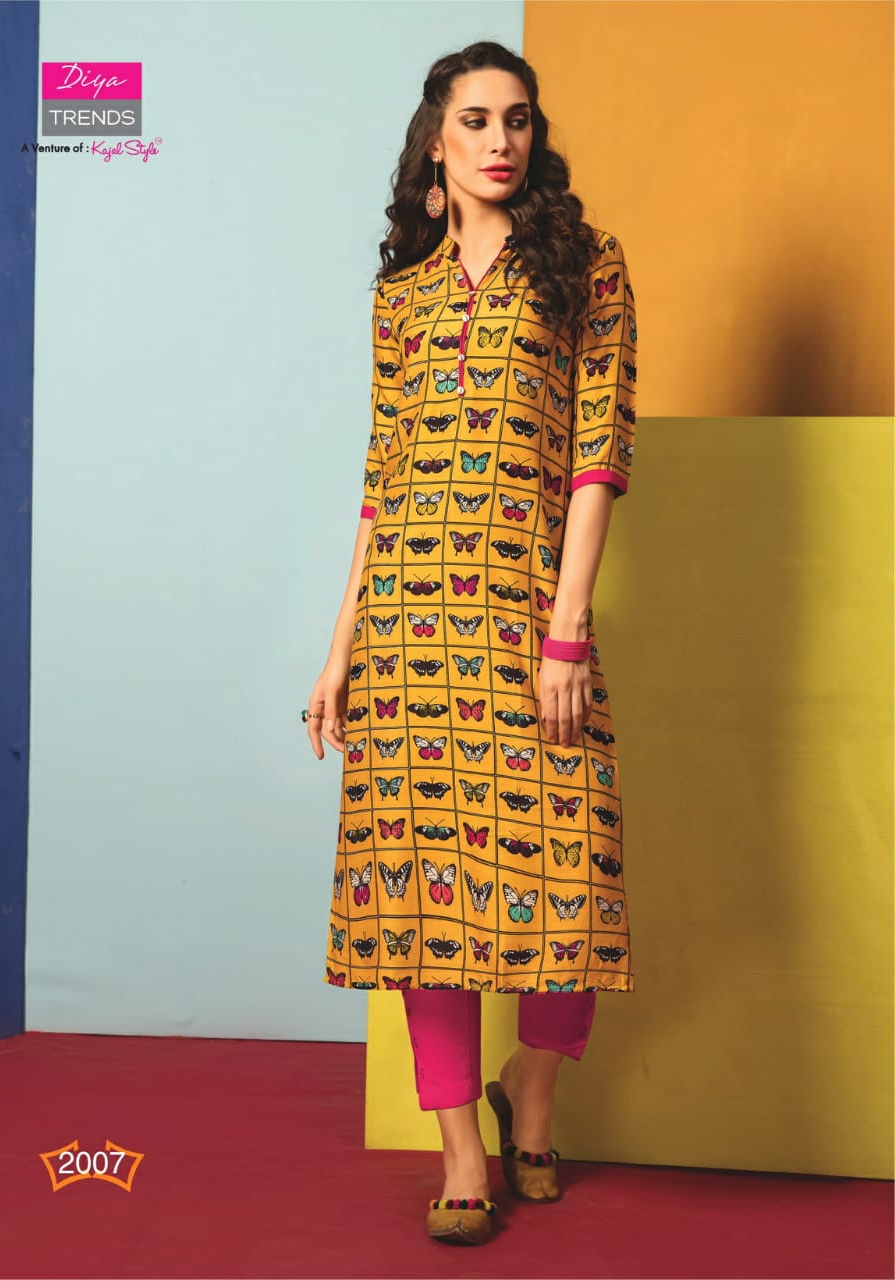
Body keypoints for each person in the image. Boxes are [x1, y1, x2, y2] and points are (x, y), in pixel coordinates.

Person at [302, 39, 638, 1246]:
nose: (502, 139)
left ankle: (530, 1093)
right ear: (436, 142)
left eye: (520, 119)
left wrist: (566, 630)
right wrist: (341, 647)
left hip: (526, 619)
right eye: (478, 119)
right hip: (407, 633)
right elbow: (380, 483)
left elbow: (598, 452)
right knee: (416, 892)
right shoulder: (401, 300)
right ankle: (461, 1148)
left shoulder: (587, 268)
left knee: (569, 880)